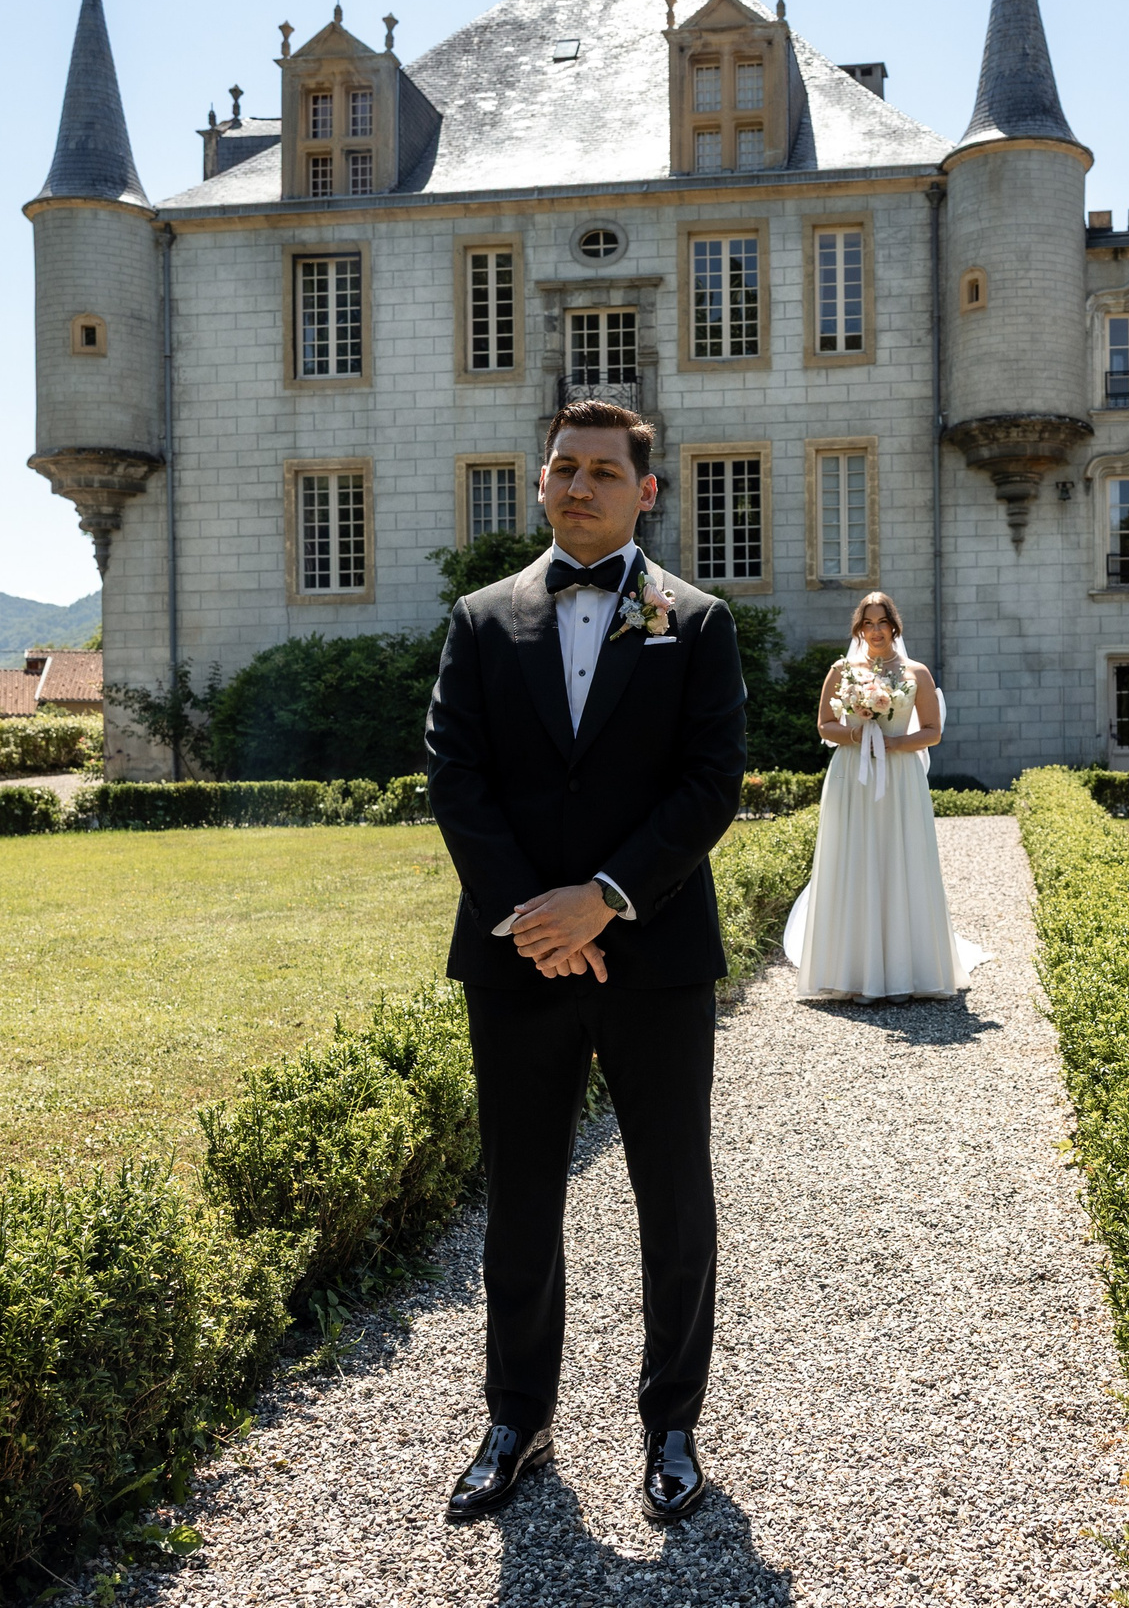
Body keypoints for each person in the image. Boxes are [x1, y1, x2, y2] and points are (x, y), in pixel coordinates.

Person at [424, 399, 746, 1525]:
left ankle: (672, 1425)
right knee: (517, 1199)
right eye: (563, 467)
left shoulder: (694, 622)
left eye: (603, 471)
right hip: (517, 961)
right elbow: (454, 780)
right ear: (542, 480)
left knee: (673, 1195)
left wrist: (602, 903)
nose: (578, 485)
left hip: (652, 957)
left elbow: (710, 785)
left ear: (645, 491)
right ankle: (516, 1417)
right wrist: (536, 918)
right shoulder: (478, 619)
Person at [785, 592, 988, 1000]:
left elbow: (933, 731)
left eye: (881, 622)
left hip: (899, 775)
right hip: (851, 774)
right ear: (858, 629)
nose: (874, 631)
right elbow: (825, 725)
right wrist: (857, 734)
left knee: (900, 857)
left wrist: (895, 744)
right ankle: (852, 970)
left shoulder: (916, 673)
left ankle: (905, 969)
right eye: (866, 623)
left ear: (894, 626)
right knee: (853, 858)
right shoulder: (841, 670)